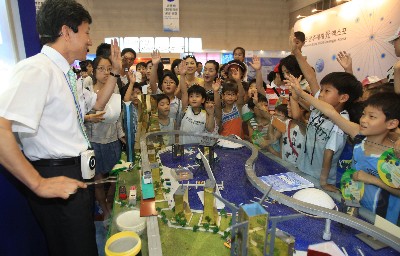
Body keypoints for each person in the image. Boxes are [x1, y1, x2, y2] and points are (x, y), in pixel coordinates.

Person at [0, 0, 121, 255]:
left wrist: (117, 74)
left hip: (76, 174)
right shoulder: (35, 70)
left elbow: (97, 102)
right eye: (86, 32)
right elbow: (1, 130)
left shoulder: (67, 74)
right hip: (55, 175)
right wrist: (38, 184)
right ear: (67, 31)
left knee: (82, 245)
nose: (89, 41)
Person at [289, 75, 400, 224]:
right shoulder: (359, 135)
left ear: (391, 123)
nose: (364, 120)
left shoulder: (395, 152)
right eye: (363, 114)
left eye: (372, 117)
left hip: (381, 219)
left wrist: (372, 180)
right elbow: (331, 112)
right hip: (355, 209)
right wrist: (301, 93)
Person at [289, 71, 363, 192]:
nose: (321, 94)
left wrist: (323, 182)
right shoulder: (318, 111)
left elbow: (329, 153)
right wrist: (297, 98)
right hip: (303, 168)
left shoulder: (341, 121)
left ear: (343, 97)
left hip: (321, 179)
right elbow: (311, 108)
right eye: (321, 90)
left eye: (326, 91)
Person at [84, 56, 125, 225]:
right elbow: (78, 118)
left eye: (109, 69)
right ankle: (104, 208)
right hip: (94, 142)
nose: (106, 72)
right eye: (101, 69)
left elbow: (118, 116)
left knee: (115, 177)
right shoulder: (88, 92)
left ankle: (109, 202)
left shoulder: (115, 89)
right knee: (98, 181)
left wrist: (121, 134)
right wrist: (88, 119)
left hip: (113, 141)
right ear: (93, 71)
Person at [179, 62, 215, 144]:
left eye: (197, 96)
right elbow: (184, 92)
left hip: (198, 149)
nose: (194, 99)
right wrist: (182, 75)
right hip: (183, 147)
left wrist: (211, 114)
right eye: (191, 96)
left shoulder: (205, 114)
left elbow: (210, 129)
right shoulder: (186, 109)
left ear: (203, 100)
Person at [215, 67, 245, 138]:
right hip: (224, 142)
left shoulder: (238, 107)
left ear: (236, 96)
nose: (230, 97)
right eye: (228, 94)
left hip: (238, 143)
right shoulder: (220, 111)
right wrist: (215, 91)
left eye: (233, 94)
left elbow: (242, 95)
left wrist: (238, 80)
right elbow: (217, 105)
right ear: (222, 96)